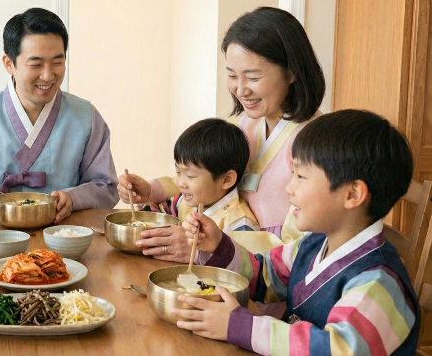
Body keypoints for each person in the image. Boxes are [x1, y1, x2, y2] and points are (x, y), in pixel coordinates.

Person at [175, 110, 419, 355]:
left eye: (301, 176)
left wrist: (240, 325)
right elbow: (264, 277)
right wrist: (218, 245)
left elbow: (337, 350)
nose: (289, 188)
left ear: (352, 194)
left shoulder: (379, 282)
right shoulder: (313, 244)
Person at [120, 7, 323, 261]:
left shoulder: (318, 144)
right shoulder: (243, 124)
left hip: (264, 283)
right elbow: (203, 178)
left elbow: (305, 247)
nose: (240, 90)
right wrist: (151, 190)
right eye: (231, 76)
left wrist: (205, 245)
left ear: (292, 71)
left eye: (253, 77)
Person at [0, 8, 118, 222]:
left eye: (57, 62)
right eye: (36, 64)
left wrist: (73, 198)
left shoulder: (86, 117)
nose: (48, 75)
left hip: (64, 238)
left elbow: (106, 187)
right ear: (9, 63)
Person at [132, 119, 267, 255]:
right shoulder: (184, 201)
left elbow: (245, 267)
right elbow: (157, 216)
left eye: (190, 176)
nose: (180, 183)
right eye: (178, 172)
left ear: (226, 179)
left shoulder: (240, 224)